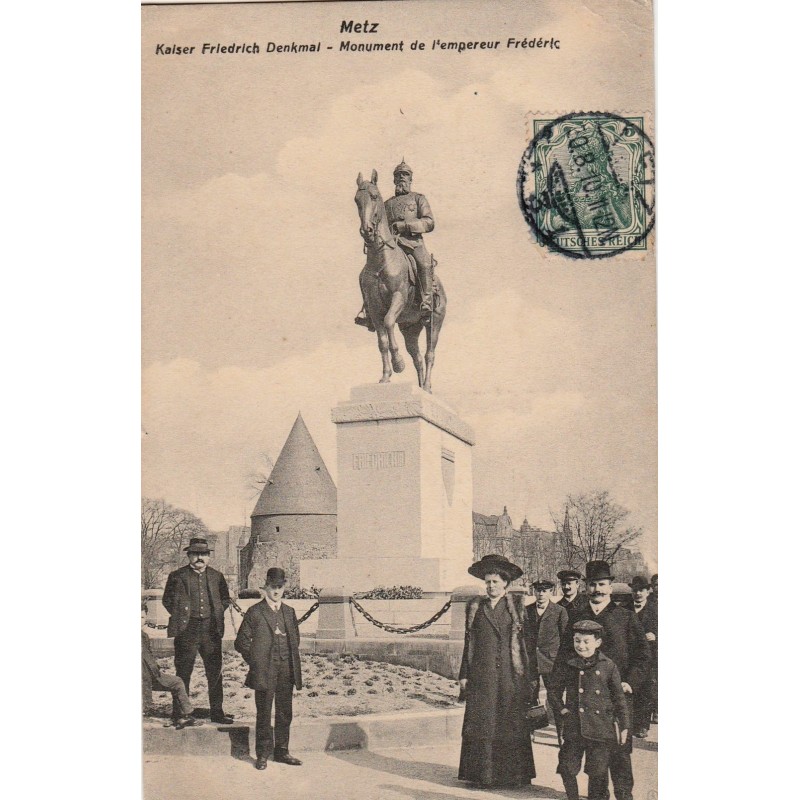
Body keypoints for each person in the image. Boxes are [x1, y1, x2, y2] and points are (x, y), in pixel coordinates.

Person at [554, 560, 650, 800]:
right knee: (595, 768)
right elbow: (563, 657)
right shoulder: (576, 616)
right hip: (585, 703)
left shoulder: (625, 617)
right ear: (586, 587)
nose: (597, 589)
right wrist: (557, 694)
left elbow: (643, 656)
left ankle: (624, 796)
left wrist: (630, 682)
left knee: (620, 758)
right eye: (593, 585)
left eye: (602, 584)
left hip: (617, 702)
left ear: (610, 586)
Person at [458, 554, 537, 789]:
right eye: (488, 582)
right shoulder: (475, 608)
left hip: (509, 678)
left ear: (505, 583)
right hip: (482, 677)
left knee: (509, 724)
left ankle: (513, 776)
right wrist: (464, 674)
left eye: (495, 581)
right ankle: (482, 775)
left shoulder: (517, 609)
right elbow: (468, 643)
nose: (491, 586)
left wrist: (530, 679)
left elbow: (527, 647)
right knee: (483, 724)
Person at [550, 620, 630, 800]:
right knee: (566, 767)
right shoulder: (568, 664)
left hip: (600, 729)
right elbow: (553, 691)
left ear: (598, 642)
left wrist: (624, 726)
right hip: (574, 727)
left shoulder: (608, 665)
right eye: (577, 641)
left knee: (598, 773)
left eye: (586, 641)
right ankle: (573, 797)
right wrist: (562, 711)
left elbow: (619, 698)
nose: (581, 646)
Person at [234, 567, 303, 771]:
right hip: (264, 670)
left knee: (284, 712)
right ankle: (262, 754)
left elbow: (295, 639)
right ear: (266, 588)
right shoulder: (255, 612)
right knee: (263, 712)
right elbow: (241, 642)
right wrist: (256, 661)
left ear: (284, 588)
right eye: (273, 587)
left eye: (280, 587)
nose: (276, 591)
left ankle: (282, 751)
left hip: (286, 670)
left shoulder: (289, 612)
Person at [355, 158, 436, 329]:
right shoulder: (387, 203)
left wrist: (406, 225)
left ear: (410, 179)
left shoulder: (418, 199)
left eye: (405, 175)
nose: (401, 178)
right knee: (364, 274)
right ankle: (368, 310)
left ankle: (427, 302)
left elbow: (429, 222)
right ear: (394, 179)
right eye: (398, 176)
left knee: (424, 263)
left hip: (414, 244)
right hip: (392, 246)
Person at [162, 537, 235, 725]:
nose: (199, 558)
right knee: (183, 672)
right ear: (189, 555)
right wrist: (182, 616)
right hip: (187, 631)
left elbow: (226, 599)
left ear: (209, 557)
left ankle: (217, 712)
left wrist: (216, 613)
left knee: (215, 672)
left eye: (203, 554)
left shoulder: (216, 576)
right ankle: (180, 713)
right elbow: (167, 600)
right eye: (195, 554)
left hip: (211, 630)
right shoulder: (177, 576)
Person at [141, 601, 202, 729]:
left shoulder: (144, 636)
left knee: (177, 682)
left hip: (152, 675)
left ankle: (186, 715)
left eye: (142, 617)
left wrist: (156, 669)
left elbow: (149, 657)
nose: (140, 621)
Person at [527, 578, 569, 738]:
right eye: (538, 590)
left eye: (544, 590)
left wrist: (562, 662)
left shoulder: (559, 611)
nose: (541, 594)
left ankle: (561, 733)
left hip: (552, 662)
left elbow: (565, 639)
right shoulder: (526, 610)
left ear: (551, 592)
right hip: (531, 661)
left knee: (554, 698)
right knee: (530, 696)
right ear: (534, 592)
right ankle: (531, 732)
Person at [629, 575, 658, 735]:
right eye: (635, 590)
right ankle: (631, 723)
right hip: (631, 656)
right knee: (632, 688)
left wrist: (657, 637)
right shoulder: (626, 609)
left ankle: (643, 725)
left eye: (641, 590)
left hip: (650, 658)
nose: (638, 593)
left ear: (648, 591)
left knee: (646, 690)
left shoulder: (656, 611)